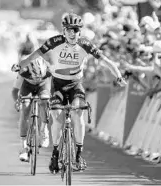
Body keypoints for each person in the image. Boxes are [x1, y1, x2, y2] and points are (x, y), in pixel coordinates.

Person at [17, 12, 126, 172]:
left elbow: (106, 61)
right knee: (58, 118)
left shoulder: (85, 44)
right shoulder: (55, 41)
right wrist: (22, 64)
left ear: (79, 31)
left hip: (75, 85)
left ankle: (78, 155)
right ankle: (55, 154)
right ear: (64, 30)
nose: (72, 33)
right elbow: (36, 54)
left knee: (78, 113)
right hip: (58, 84)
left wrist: (118, 75)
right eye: (69, 29)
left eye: (75, 30)